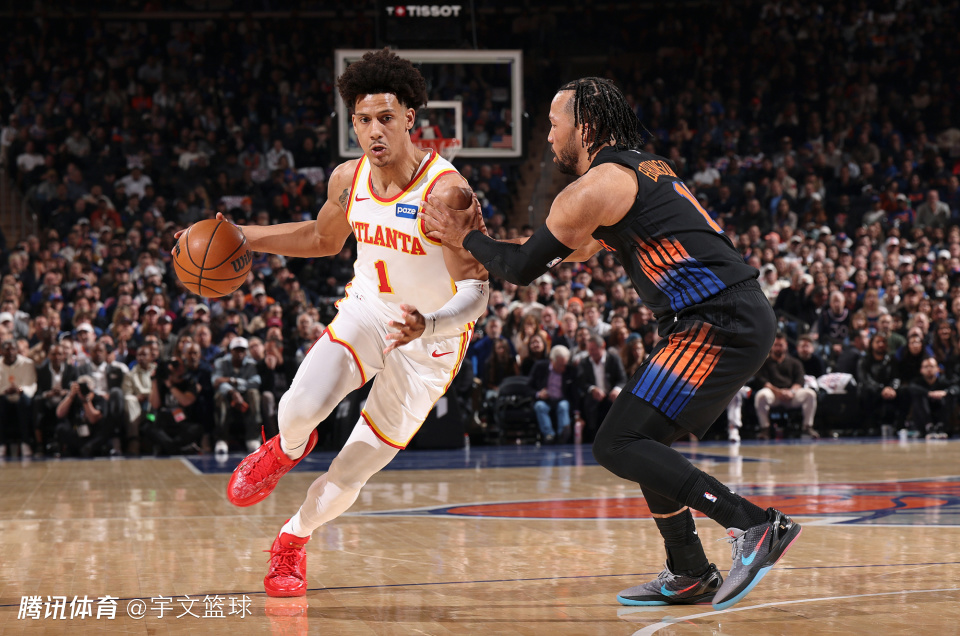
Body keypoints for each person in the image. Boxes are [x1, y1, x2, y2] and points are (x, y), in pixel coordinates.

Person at [422, 77, 801, 611]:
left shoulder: (595, 186)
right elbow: (568, 250)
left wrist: (465, 237)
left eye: (553, 123)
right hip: (723, 313)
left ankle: (752, 524)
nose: (548, 136)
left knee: (616, 443)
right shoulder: (640, 168)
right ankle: (689, 570)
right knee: (641, 440)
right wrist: (487, 242)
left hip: (718, 318)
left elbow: (523, 269)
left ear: (586, 126)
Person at [201, 49, 487, 598]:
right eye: (363, 119)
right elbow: (321, 238)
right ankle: (285, 449)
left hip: (431, 342)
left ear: (409, 118)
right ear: (352, 123)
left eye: (386, 118)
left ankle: (291, 541)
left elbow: (477, 294)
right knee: (297, 409)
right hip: (369, 311)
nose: (374, 130)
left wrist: (428, 325)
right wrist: (241, 236)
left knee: (354, 469)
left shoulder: (447, 191)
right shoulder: (346, 178)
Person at [754, 333, 819, 439]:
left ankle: (807, 427)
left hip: (791, 395)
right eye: (776, 345)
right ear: (771, 346)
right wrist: (778, 392)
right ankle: (765, 429)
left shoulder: (795, 362)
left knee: (810, 394)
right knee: (761, 395)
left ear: (786, 345)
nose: (778, 348)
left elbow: (799, 381)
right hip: (774, 394)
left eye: (781, 345)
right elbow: (763, 381)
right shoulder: (764, 363)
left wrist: (791, 392)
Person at [212, 336, 263, 454]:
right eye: (236, 350)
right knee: (219, 397)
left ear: (246, 352)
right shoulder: (221, 362)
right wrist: (233, 392)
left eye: (242, 350)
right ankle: (222, 440)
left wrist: (232, 381)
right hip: (227, 394)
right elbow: (216, 381)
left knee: (254, 394)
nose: (240, 353)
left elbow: (256, 382)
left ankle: (253, 438)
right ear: (231, 351)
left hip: (245, 395)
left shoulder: (251, 364)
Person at [576, 334, 626, 442]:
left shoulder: (614, 359)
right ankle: (593, 439)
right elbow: (581, 383)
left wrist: (616, 389)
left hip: (611, 396)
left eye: (593, 349)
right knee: (589, 405)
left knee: (617, 406)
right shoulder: (584, 363)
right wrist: (592, 389)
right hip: (594, 399)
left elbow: (622, 379)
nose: (591, 353)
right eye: (589, 350)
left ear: (602, 346)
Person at [528, 344, 578, 443]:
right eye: (560, 365)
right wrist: (538, 394)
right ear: (552, 360)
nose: (563, 368)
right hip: (545, 400)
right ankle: (549, 435)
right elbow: (528, 387)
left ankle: (563, 434)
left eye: (565, 365)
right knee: (539, 406)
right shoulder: (540, 367)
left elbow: (575, 392)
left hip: (561, 400)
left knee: (563, 406)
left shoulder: (570, 370)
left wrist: (577, 413)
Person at [0, 338, 38, 457]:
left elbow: (32, 385)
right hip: (3, 398)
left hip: (22, 398)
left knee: (24, 401)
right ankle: (2, 444)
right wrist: (4, 391)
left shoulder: (27, 363)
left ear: (17, 350)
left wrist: (20, 390)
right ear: (2, 351)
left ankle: (26, 442)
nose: (10, 352)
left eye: (13, 349)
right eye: (7, 350)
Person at [907, 357, 956, 439]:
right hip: (922, 420)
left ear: (938, 369)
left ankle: (941, 426)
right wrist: (929, 393)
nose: (929, 369)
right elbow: (911, 388)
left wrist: (945, 392)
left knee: (951, 395)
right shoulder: (917, 382)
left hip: (940, 415)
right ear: (921, 370)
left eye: (932, 366)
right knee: (919, 396)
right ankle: (929, 426)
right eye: (926, 367)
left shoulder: (943, 382)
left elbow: (956, 388)